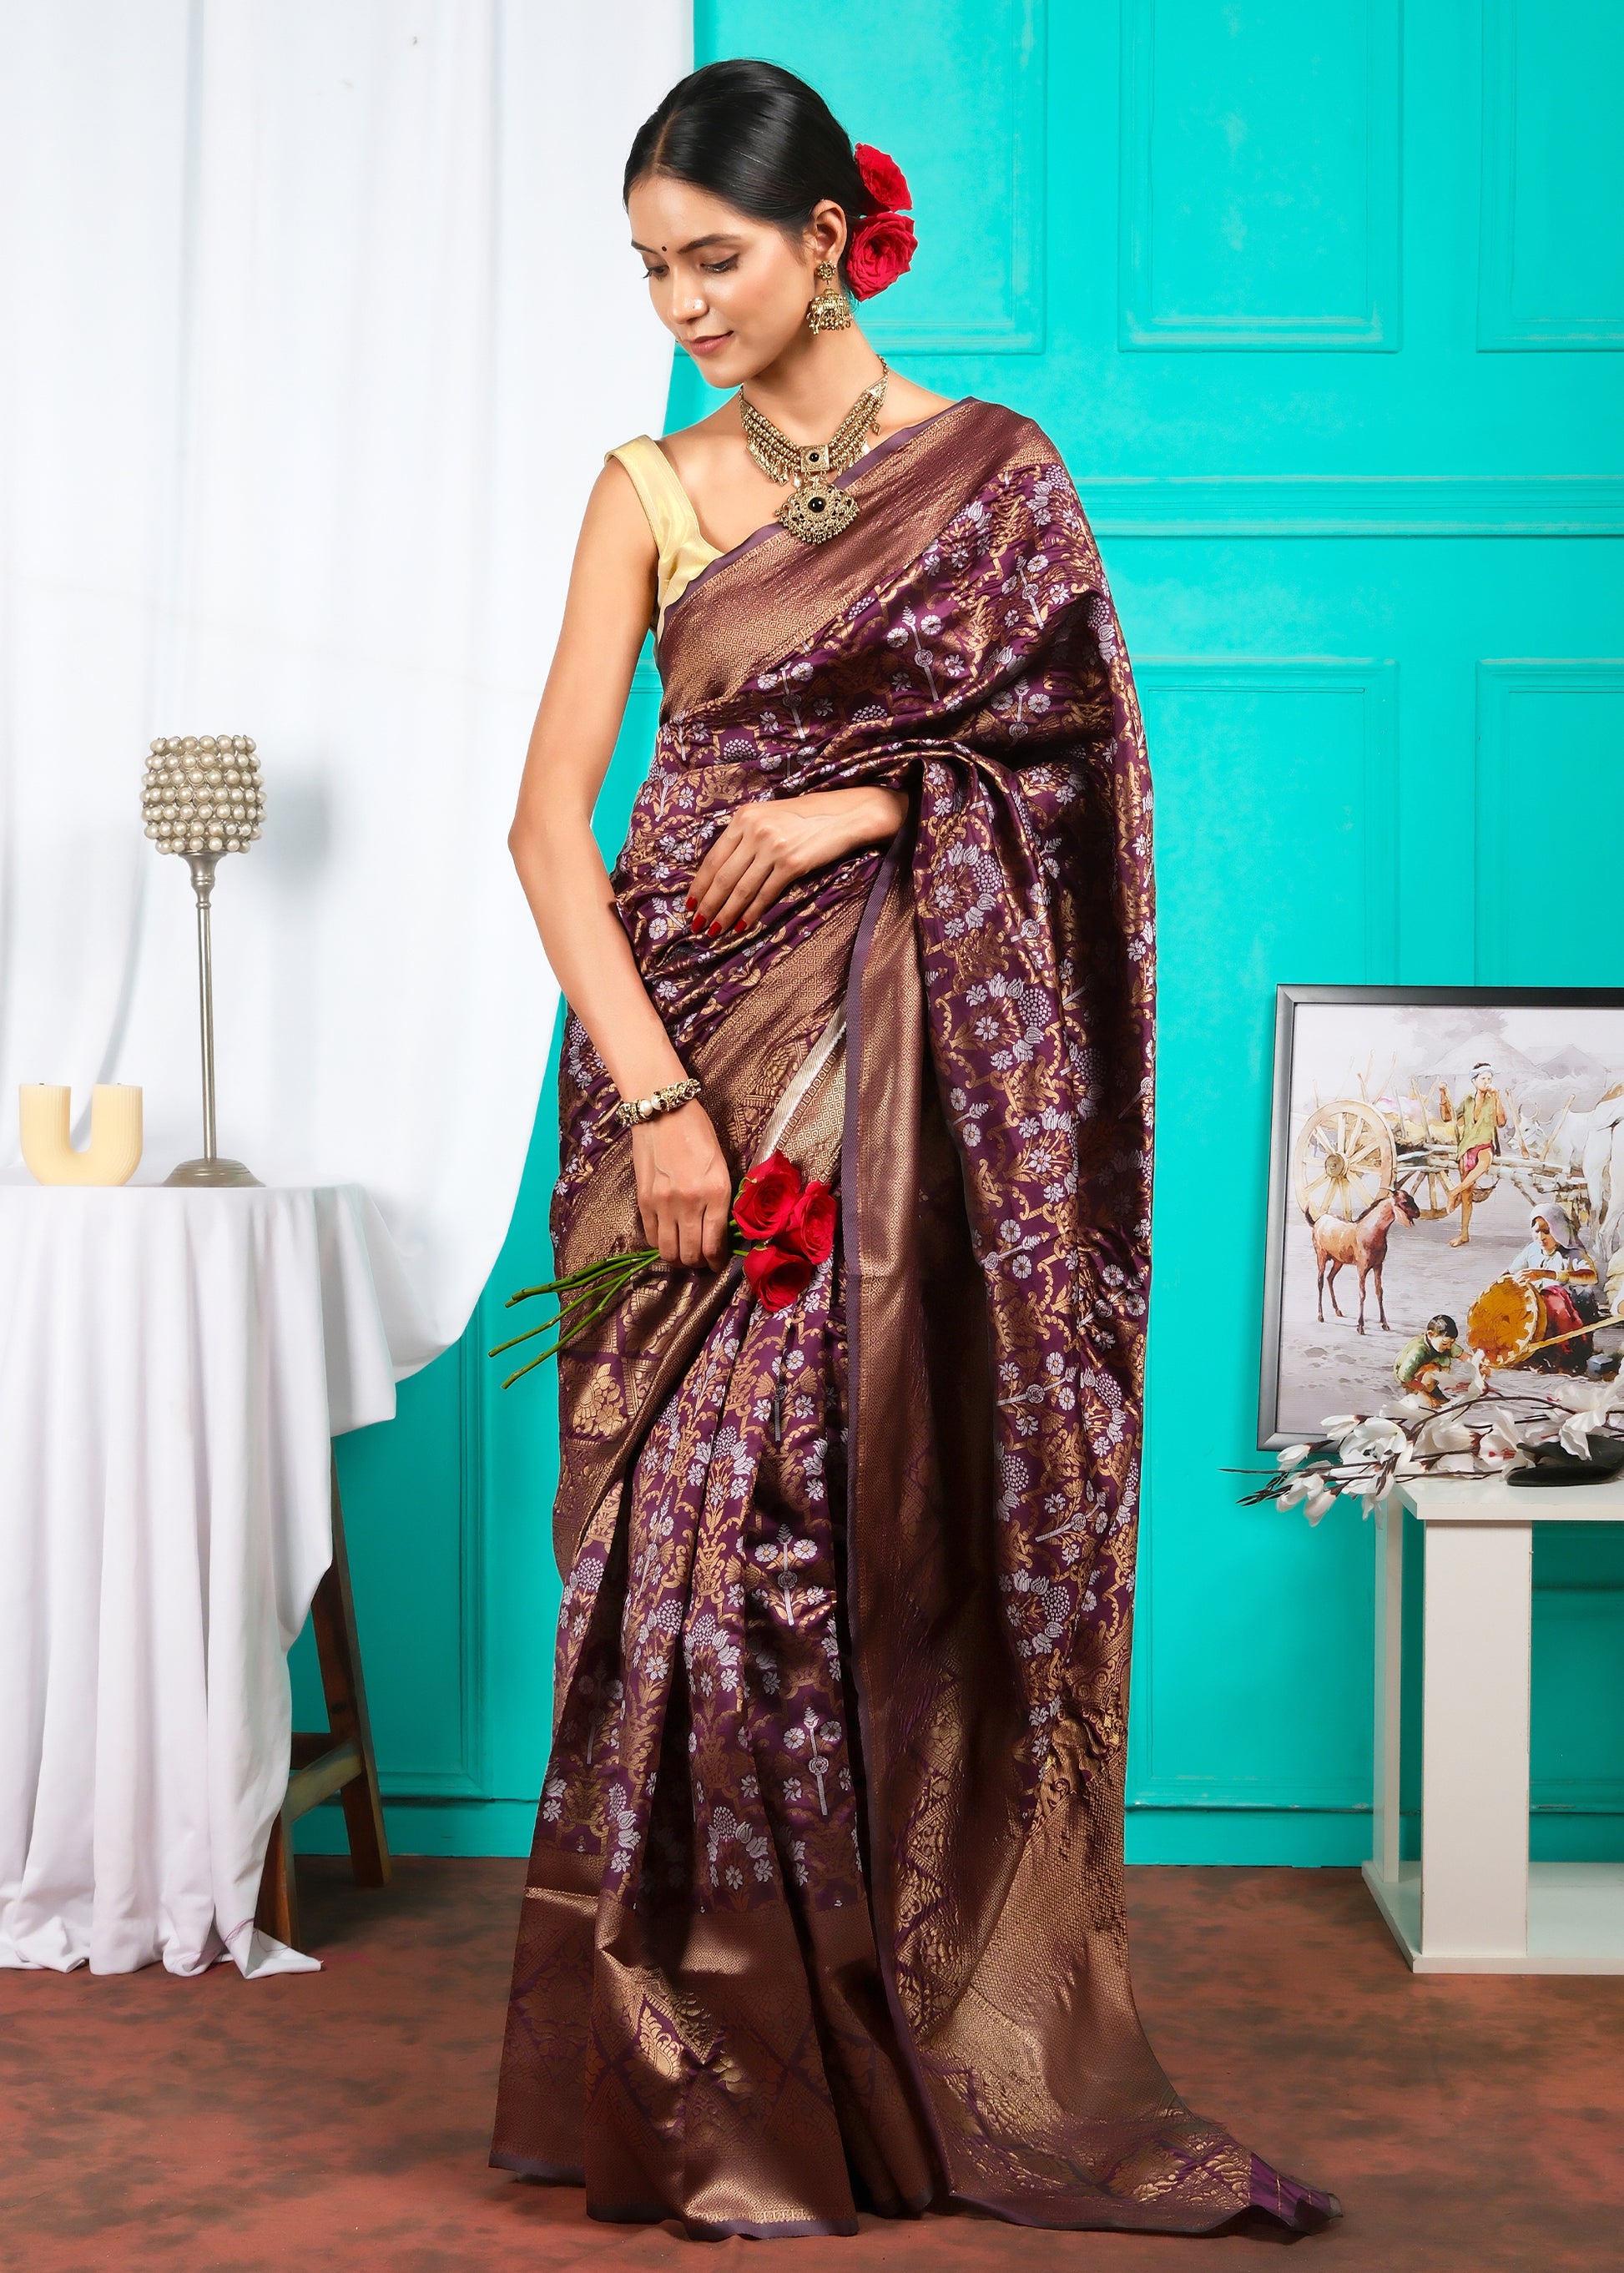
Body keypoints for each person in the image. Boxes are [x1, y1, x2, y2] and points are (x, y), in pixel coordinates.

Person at [490, 59, 1337, 2241]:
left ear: (832, 237)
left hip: (913, 1086)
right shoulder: (651, 487)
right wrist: (663, 1107)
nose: (683, 300)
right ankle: (712, 2097)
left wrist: (869, 805)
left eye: (718, 257)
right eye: (653, 265)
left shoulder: (993, 480)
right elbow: (546, 824)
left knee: (870, 1529)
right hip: (683, 1072)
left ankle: (881, 2064)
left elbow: (1068, 771)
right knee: (687, 1557)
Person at [1512, 1203, 1598, 1373]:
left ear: (1559, 1230)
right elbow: (1510, 1274)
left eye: (1547, 1231)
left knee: (1552, 1295)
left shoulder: (1573, 1254)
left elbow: (1591, 1276)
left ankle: (1566, 1357)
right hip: (1541, 1322)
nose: (1541, 1237)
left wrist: (1547, 1274)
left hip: (1571, 1324)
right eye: (1537, 1231)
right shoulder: (1532, 1250)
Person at [1442, 1061, 1506, 1247]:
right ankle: (1464, 1234)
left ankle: (1453, 1191)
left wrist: (1498, 1097)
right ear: (1474, 1081)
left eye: (1489, 1079)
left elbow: (1501, 1122)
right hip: (1466, 1148)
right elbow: (1448, 1117)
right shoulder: (1468, 1101)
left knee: (1484, 1164)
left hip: (1485, 1146)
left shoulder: (1493, 1099)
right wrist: (1442, 1095)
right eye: (1483, 1079)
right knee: (1467, 1196)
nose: (1487, 1082)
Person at [1395, 1313, 1464, 1407]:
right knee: (1433, 1369)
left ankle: (1431, 1391)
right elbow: (1404, 1377)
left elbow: (1464, 1356)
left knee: (1442, 1364)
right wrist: (1423, 1394)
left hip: (1426, 1376)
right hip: (1409, 1378)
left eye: (1452, 1343)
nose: (1449, 1347)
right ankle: (1419, 1394)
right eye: (1445, 1343)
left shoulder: (1445, 1343)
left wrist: (1480, 1366)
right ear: (1430, 1335)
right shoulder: (1418, 1351)